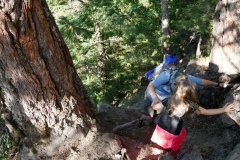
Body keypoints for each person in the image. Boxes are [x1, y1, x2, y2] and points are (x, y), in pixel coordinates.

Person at [139, 54, 232, 126]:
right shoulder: (166, 76)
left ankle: (154, 122)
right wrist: (155, 99)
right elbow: (150, 87)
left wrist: (218, 84)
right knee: (149, 116)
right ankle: (143, 120)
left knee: (161, 111)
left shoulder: (186, 79)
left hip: (167, 97)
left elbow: (202, 81)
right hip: (153, 94)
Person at [150, 79, 235, 151]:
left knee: (163, 140)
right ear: (191, 93)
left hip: (159, 130)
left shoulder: (169, 99)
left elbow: (155, 107)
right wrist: (223, 109)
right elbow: (206, 111)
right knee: (182, 132)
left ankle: (156, 147)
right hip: (172, 133)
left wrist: (154, 102)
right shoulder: (190, 105)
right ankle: (170, 150)